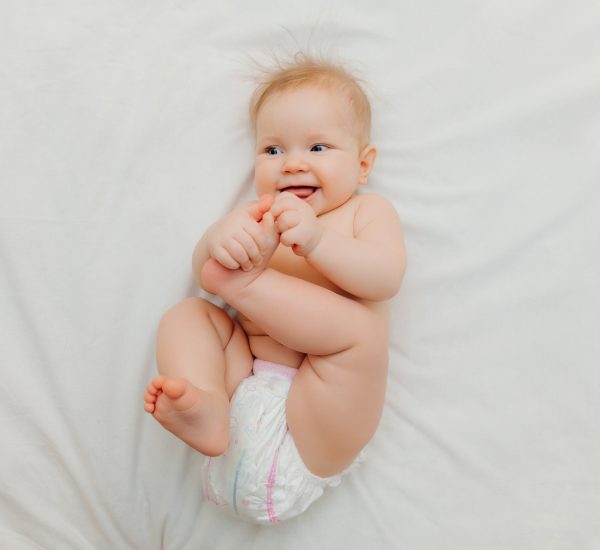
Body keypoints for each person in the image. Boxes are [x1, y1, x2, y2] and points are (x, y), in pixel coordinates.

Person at [143, 54, 407, 524]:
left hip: (317, 421)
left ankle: (244, 286)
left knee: (361, 335)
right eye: (272, 151)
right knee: (189, 316)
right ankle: (204, 404)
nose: (292, 165)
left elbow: (386, 277)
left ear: (363, 164)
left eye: (318, 148)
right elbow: (203, 269)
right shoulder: (256, 216)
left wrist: (320, 242)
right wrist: (218, 241)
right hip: (239, 396)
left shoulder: (365, 214)